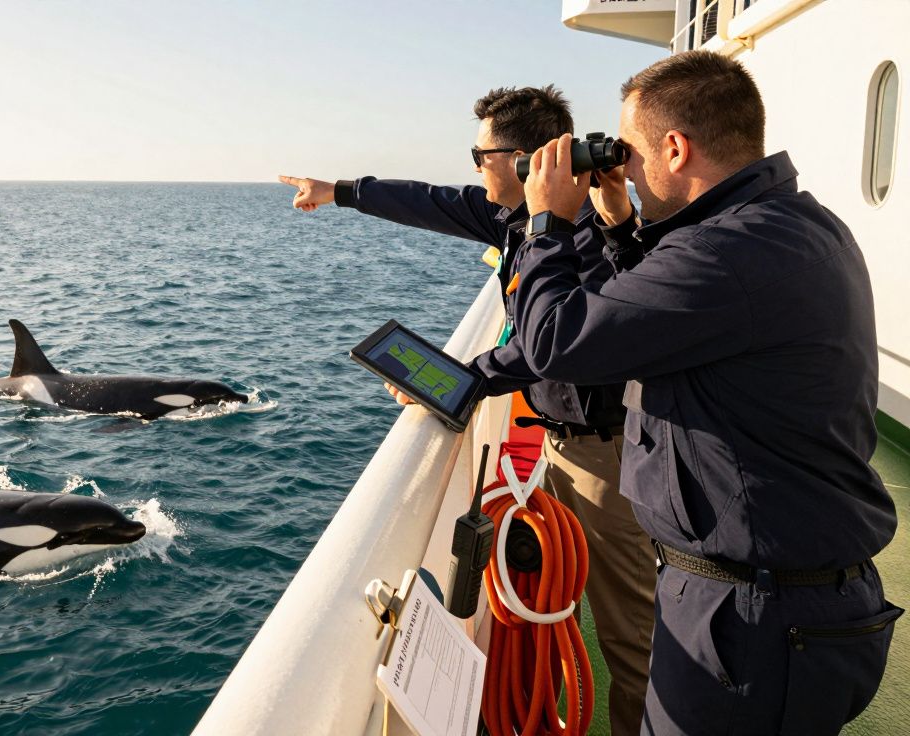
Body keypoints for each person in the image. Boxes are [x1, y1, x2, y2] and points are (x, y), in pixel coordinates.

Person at [515, 50, 900, 734]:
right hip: (777, 602)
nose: (625, 167)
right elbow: (664, 317)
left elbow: (557, 343)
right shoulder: (788, 224)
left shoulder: (725, 255)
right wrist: (614, 222)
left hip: (756, 620)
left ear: (675, 146)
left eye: (631, 152)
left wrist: (544, 222)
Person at [280, 85, 656, 735]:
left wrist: (472, 377)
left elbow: (553, 346)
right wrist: (337, 190)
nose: (473, 168)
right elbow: (425, 201)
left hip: (606, 448)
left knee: (633, 638)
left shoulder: (589, 230)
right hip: (564, 441)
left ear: (520, 160)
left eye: (479, 155)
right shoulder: (510, 216)